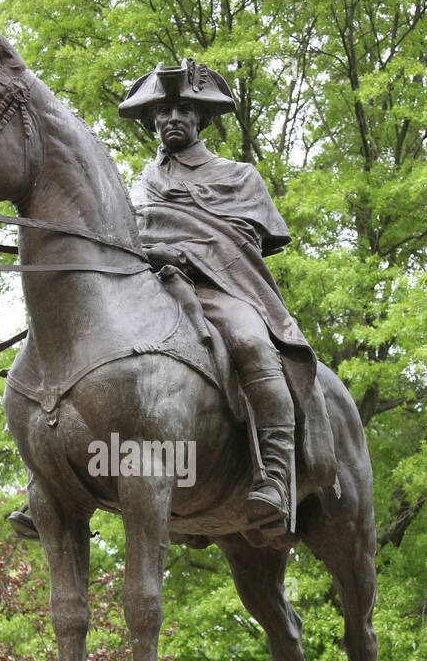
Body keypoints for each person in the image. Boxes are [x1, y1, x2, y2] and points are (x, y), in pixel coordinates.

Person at [119, 58, 317, 533]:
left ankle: (275, 476)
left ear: (202, 119)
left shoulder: (239, 177)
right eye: (163, 112)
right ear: (152, 122)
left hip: (218, 288)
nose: (172, 119)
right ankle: (56, 475)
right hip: (151, 289)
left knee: (251, 342)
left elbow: (240, 243)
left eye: (184, 110)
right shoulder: (142, 185)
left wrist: (184, 252)